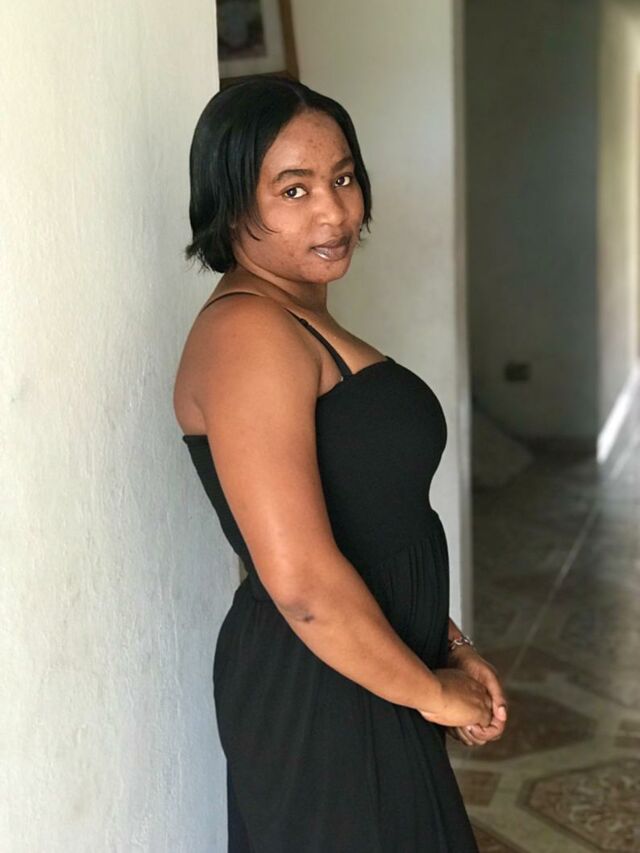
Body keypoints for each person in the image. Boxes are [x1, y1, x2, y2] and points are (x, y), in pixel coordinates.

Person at [173, 75, 508, 853]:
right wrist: (433, 692)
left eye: (344, 178)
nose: (334, 212)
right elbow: (301, 584)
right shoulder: (249, 334)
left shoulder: (294, 316)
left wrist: (447, 644)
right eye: (293, 190)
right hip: (318, 688)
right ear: (231, 203)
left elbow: (371, 519)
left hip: (367, 664)